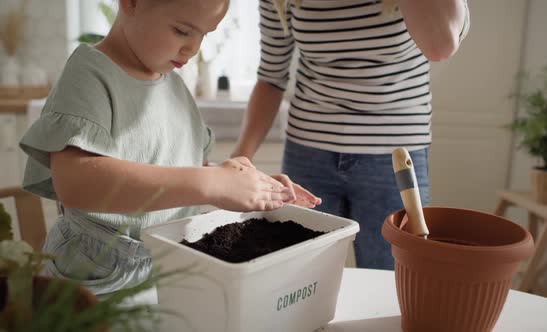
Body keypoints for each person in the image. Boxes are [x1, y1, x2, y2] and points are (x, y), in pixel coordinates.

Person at [19, 0, 320, 303]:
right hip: (97, 275)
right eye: (182, 30)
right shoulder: (90, 74)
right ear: (131, 3)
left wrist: (249, 186)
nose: (193, 48)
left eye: (205, 35)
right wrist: (213, 182)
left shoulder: (173, 86)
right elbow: (76, 183)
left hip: (169, 263)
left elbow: (184, 173)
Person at [232, 0, 470, 270]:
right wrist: (241, 157)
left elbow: (441, 44)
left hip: (393, 159)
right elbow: (271, 77)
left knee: (393, 279)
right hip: (308, 154)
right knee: (299, 275)